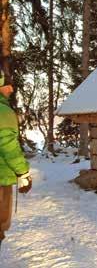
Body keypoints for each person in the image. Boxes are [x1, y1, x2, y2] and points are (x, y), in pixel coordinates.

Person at [0, 69, 31, 249]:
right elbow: (9, 146)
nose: (11, 89)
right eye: (7, 85)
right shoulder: (3, 112)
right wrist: (23, 173)